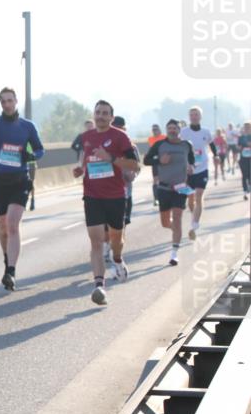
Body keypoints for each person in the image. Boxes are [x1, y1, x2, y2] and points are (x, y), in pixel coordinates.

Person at [0, 87, 44, 291]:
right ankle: (7, 263)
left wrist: (31, 156)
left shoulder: (27, 126)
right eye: (3, 101)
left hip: (20, 181)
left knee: (13, 225)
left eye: (9, 100)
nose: (7, 104)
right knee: (4, 227)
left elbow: (40, 150)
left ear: (16, 101)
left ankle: (11, 271)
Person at [72, 100, 140, 305]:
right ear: (94, 115)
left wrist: (110, 158)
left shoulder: (120, 137)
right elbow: (86, 161)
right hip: (92, 195)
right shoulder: (86, 137)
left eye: (105, 113)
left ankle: (117, 259)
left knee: (115, 239)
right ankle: (99, 286)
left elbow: (134, 165)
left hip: (115, 196)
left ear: (111, 117)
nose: (100, 116)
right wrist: (80, 170)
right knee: (97, 241)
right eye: (98, 112)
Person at [143, 119, 195, 265]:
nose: (172, 130)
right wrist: (160, 160)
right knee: (165, 223)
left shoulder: (187, 145)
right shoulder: (159, 145)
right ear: (166, 130)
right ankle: (175, 230)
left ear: (179, 130)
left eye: (174, 128)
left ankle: (174, 254)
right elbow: (146, 160)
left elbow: (191, 160)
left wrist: (191, 167)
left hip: (180, 188)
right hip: (164, 188)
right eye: (170, 128)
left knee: (177, 218)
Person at [179, 107, 217, 239]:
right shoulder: (183, 132)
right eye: (192, 115)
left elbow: (212, 145)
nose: (194, 117)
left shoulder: (206, 131)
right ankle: (194, 216)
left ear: (200, 116)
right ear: (189, 117)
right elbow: (178, 146)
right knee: (190, 198)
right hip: (188, 169)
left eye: (196, 114)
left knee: (199, 196)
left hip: (202, 168)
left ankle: (194, 225)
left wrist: (216, 155)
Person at [148, 124, 166, 207]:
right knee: (155, 179)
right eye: (153, 130)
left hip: (164, 160)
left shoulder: (164, 137)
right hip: (155, 161)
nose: (155, 131)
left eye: (156, 129)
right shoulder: (150, 139)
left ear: (159, 130)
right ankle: (156, 198)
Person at [238, 121, 251, 201]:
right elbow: (238, 147)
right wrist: (241, 147)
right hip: (243, 158)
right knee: (244, 175)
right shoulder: (241, 137)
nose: (246, 129)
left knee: (249, 174)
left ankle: (249, 186)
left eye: (248, 127)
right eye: (245, 127)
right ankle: (245, 192)